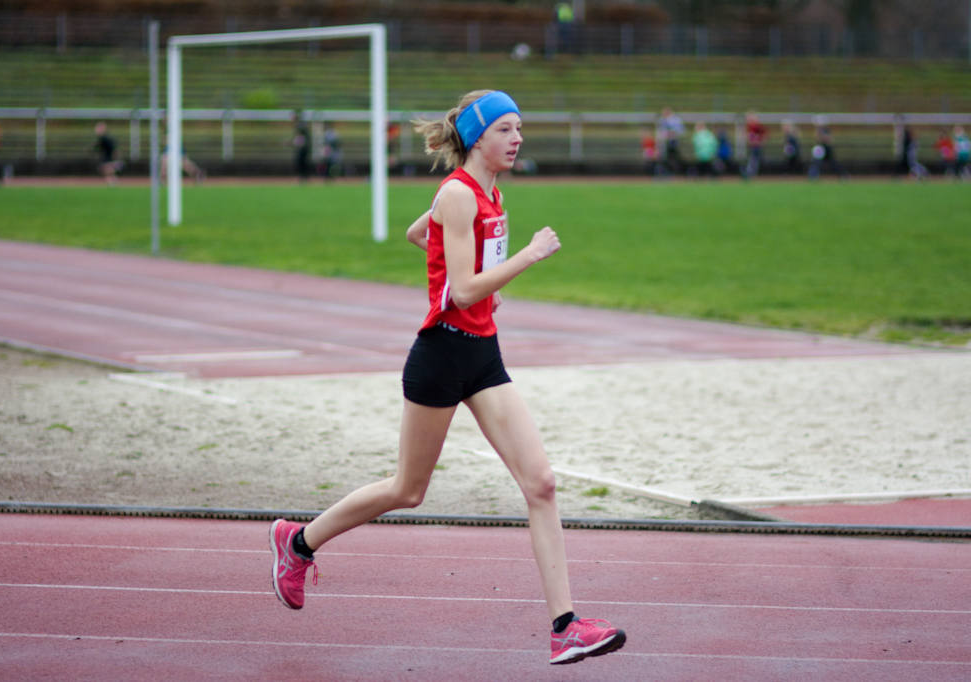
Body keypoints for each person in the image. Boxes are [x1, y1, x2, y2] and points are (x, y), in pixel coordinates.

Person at [268, 90, 627, 666]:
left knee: (541, 483)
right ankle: (298, 542)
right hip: (440, 355)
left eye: (519, 129)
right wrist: (527, 257)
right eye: (507, 129)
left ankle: (565, 627)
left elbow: (422, 235)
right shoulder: (460, 194)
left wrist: (483, 275)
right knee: (407, 491)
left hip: (483, 356)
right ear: (479, 137)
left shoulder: (486, 190)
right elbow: (460, 291)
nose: (518, 139)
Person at [657, 107, 684, 176]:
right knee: (664, 159)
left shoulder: (676, 120)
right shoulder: (662, 120)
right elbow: (660, 131)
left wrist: (672, 133)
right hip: (664, 142)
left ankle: (675, 173)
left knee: (673, 158)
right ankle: (665, 173)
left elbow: (680, 130)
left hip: (673, 142)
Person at [743, 111, 767, 179]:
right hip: (753, 146)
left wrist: (760, 142)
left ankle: (750, 173)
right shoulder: (750, 127)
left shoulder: (757, 126)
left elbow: (764, 135)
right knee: (753, 160)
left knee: (753, 160)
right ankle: (750, 173)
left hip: (756, 146)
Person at [290, 110, 312, 182]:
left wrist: (293, 142)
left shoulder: (300, 125)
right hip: (304, 147)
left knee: (302, 162)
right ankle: (303, 177)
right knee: (302, 162)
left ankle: (304, 177)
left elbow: (301, 138)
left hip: (304, 148)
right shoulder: (300, 124)